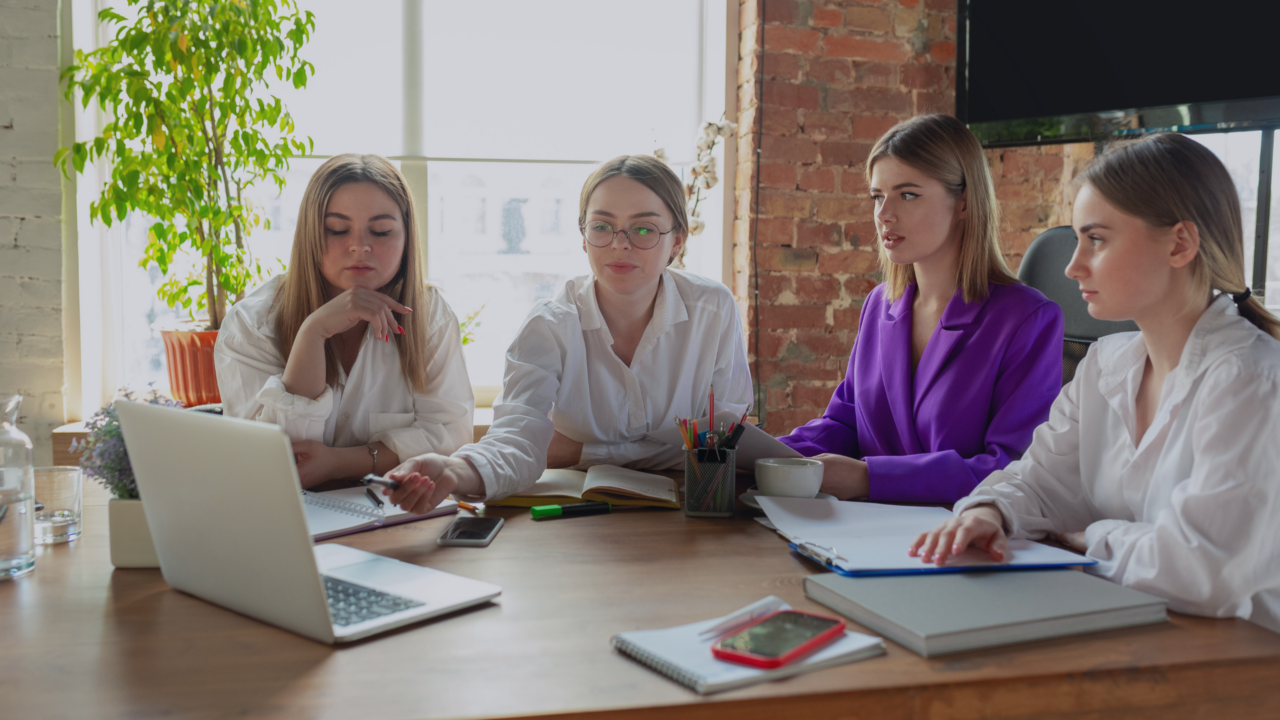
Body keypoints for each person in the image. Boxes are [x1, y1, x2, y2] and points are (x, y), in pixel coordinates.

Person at [911, 133, 1280, 633]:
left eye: (1097, 239)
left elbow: (1204, 572)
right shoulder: (1107, 363)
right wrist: (989, 511)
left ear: (1180, 244)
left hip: (1241, 663)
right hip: (1136, 630)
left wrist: (1094, 539)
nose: (1071, 265)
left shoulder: (1251, 378)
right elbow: (1040, 481)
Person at [382, 155, 753, 513]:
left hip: (696, 512)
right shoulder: (549, 325)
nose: (619, 244)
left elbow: (726, 440)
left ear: (677, 241)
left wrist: (581, 451)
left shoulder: (713, 310)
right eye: (602, 227)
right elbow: (518, 434)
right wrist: (454, 470)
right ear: (583, 237)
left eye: (644, 229)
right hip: (578, 520)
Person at [777, 114, 1064, 503]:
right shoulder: (880, 306)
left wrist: (869, 479)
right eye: (878, 196)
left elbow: (1013, 468)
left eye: (907, 194)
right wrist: (761, 454)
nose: (883, 214)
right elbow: (844, 422)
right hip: (861, 530)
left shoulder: (1027, 319)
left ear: (963, 203)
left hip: (959, 536)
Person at [215, 154, 474, 489]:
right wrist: (311, 335)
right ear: (310, 235)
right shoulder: (250, 325)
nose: (360, 246)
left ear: (407, 238)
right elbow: (275, 461)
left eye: (381, 231)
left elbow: (451, 435)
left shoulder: (430, 315)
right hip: (290, 520)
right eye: (337, 229)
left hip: (397, 518)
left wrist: (338, 463)